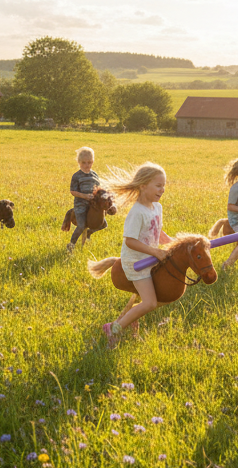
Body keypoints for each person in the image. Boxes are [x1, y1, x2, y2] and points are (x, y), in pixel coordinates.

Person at [94, 162, 171, 348]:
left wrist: (173, 243)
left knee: (165, 297)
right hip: (136, 263)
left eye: (164, 186)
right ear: (143, 185)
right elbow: (130, 240)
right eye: (158, 185)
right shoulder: (137, 212)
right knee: (151, 302)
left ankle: (131, 318)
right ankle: (113, 328)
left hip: (151, 259)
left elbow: (157, 231)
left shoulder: (156, 208)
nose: (162, 190)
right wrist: (155, 251)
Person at [67, 146, 102, 253]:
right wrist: (85, 196)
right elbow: (73, 191)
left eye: (89, 162)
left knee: (103, 224)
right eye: (84, 163)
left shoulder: (94, 175)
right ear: (78, 162)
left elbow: (98, 189)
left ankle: (89, 232)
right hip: (80, 205)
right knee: (81, 226)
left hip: (93, 206)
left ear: (93, 161)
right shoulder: (76, 176)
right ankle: (71, 244)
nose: (87, 165)